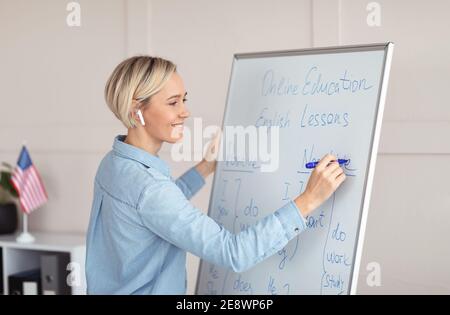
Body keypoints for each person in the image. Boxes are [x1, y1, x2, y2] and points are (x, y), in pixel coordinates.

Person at [85, 56, 346, 294]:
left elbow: (153, 210)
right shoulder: (150, 189)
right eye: (173, 102)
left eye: (184, 99)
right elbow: (234, 253)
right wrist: (309, 200)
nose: (184, 111)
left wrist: (205, 167)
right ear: (136, 111)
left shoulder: (114, 163)